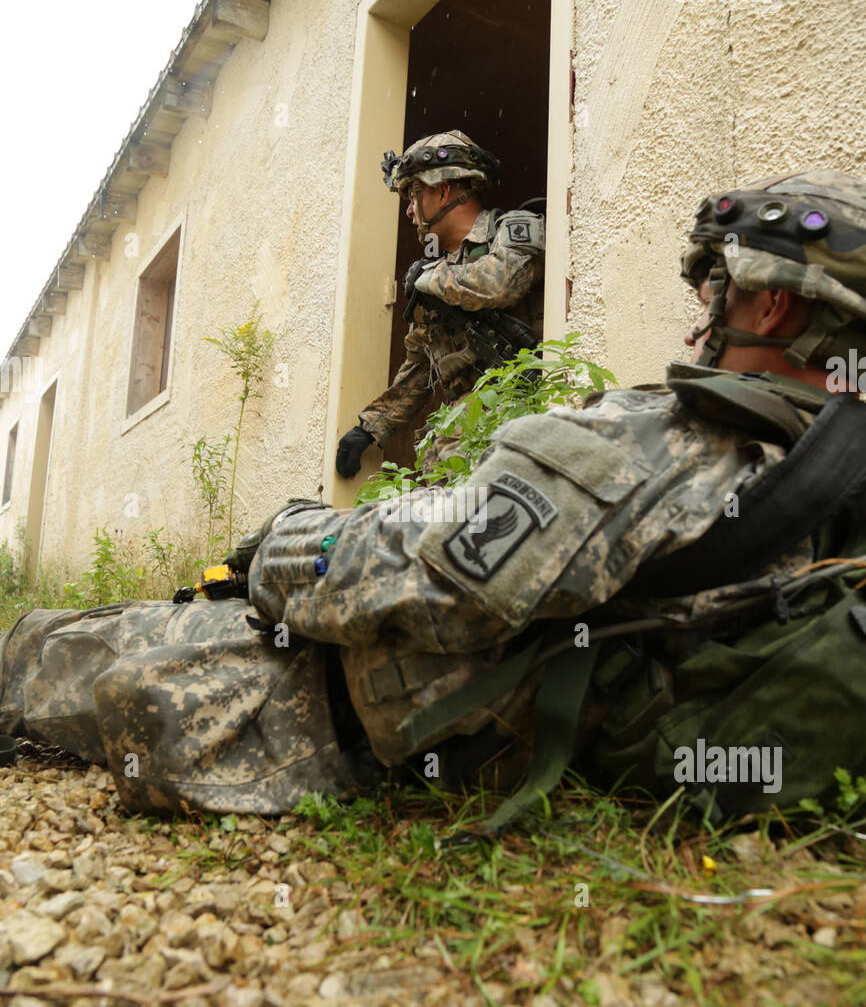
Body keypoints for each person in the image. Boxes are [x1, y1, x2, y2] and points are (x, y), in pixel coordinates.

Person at [2, 168, 865, 825]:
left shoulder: (670, 436)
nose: (698, 314)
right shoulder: (827, 470)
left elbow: (427, 581)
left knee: (73, 649)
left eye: (719, 287)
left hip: (340, 703)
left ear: (776, 309)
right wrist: (377, 430)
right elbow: (428, 396)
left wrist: (284, 541)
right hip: (531, 696)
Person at [335, 130, 545, 479]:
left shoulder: (509, 230)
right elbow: (421, 364)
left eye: (412, 196)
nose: (409, 211)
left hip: (514, 415)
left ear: (442, 190)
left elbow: (503, 281)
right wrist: (371, 427)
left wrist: (431, 279)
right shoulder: (436, 268)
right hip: (460, 430)